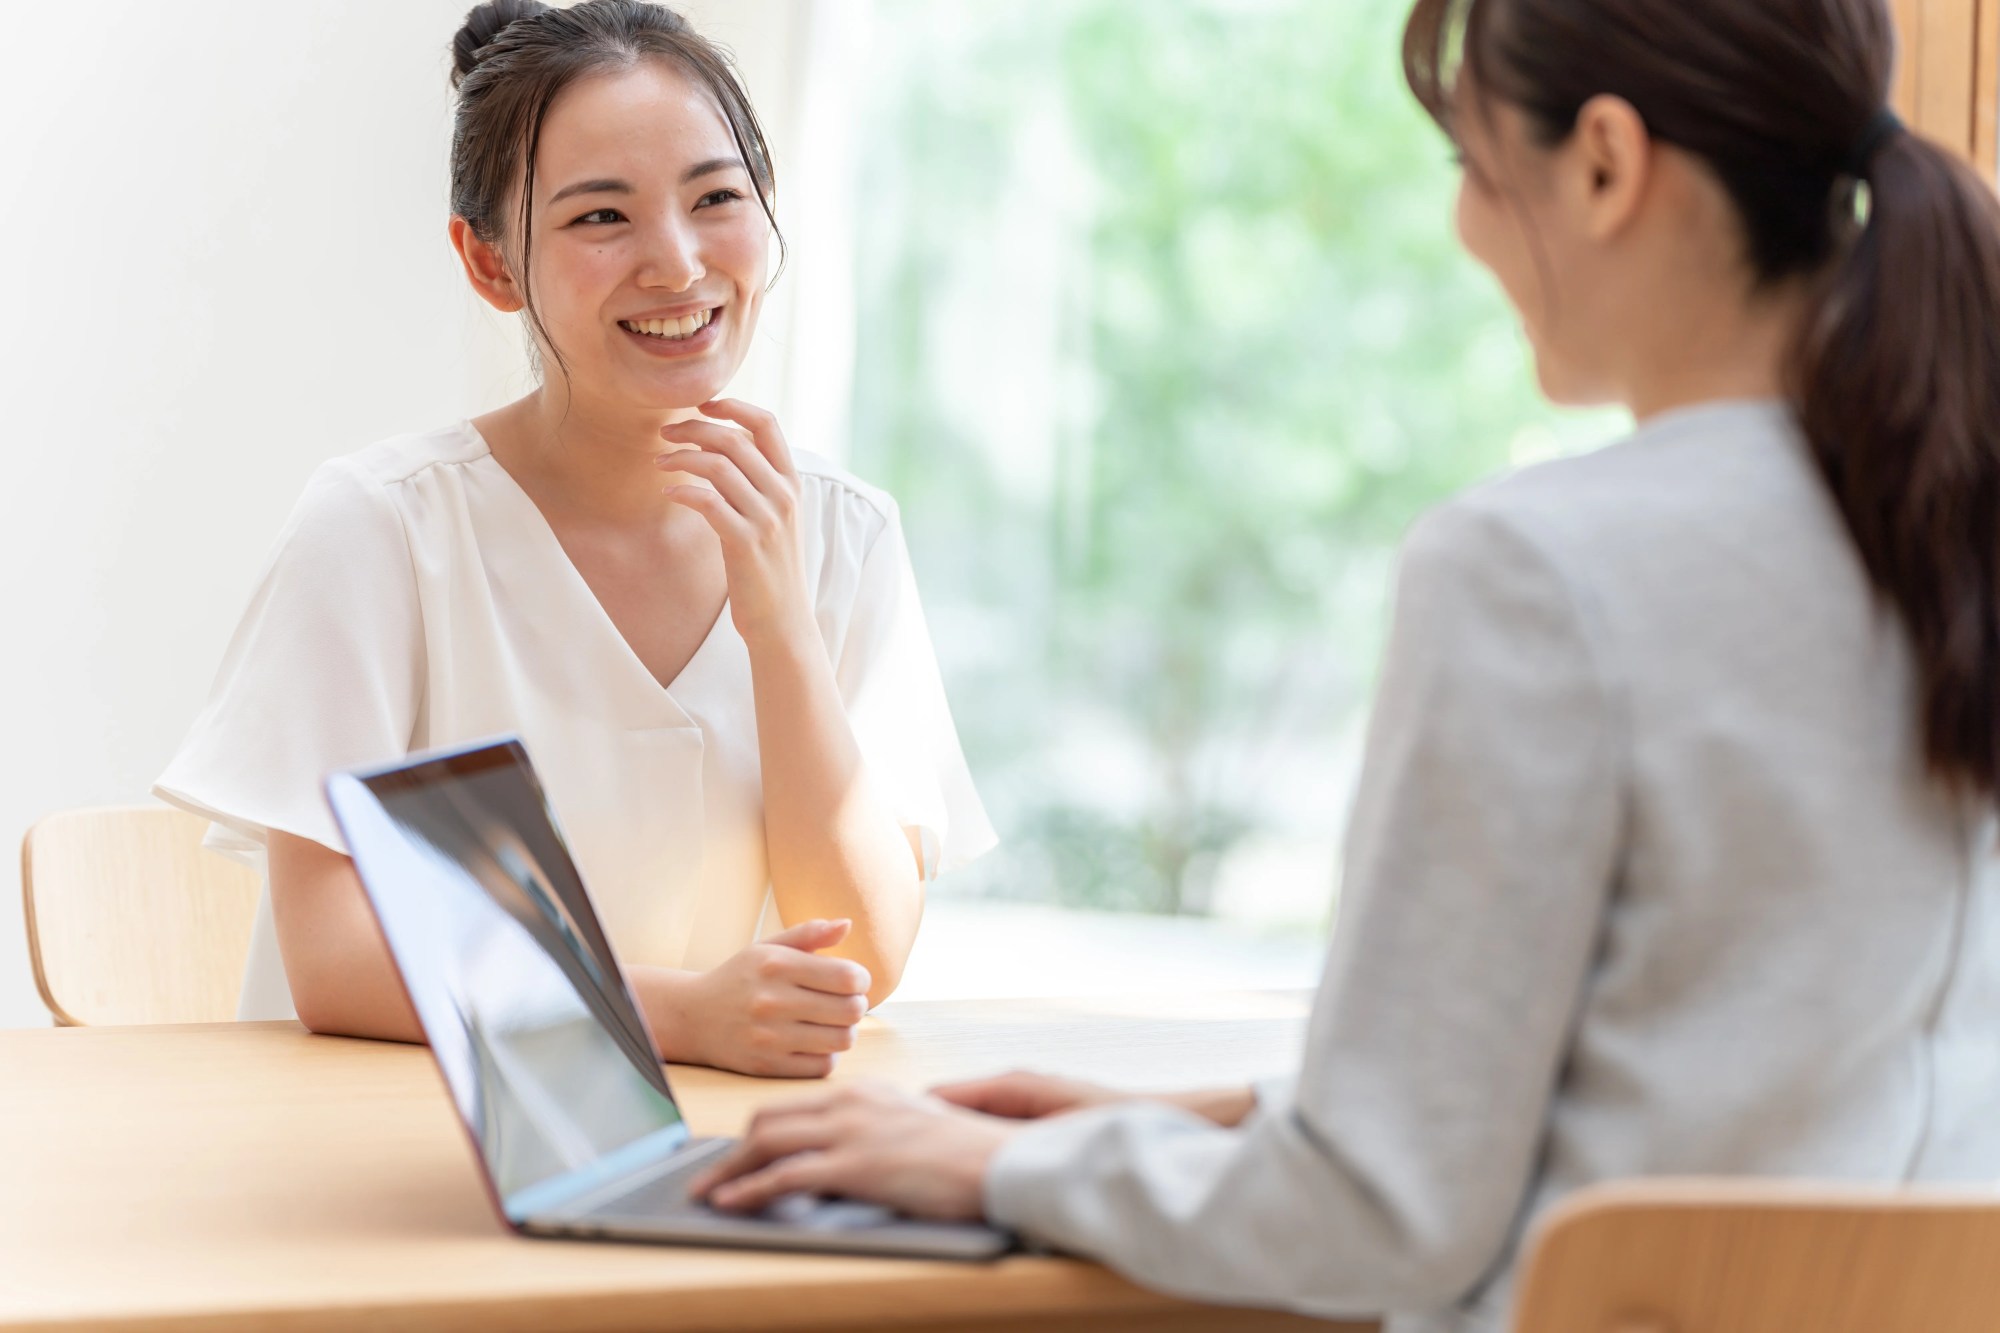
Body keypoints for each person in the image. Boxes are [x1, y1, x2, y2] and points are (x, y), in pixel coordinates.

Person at [688, 0, 2000, 1326]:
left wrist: (998, 1166)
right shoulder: (1951, 526)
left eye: (1476, 167)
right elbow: (1731, 1070)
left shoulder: (1534, 569)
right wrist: (1215, 1117)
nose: (1467, 227)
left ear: (1605, 164)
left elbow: (1379, 1215)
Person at [153, 0, 993, 1078]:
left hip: (716, 1151)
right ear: (491, 263)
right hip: (385, 1145)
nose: (676, 264)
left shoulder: (843, 532)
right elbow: (336, 954)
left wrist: (780, 631)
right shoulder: (382, 526)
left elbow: (862, 953)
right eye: (602, 216)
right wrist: (678, 1015)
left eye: (716, 197)